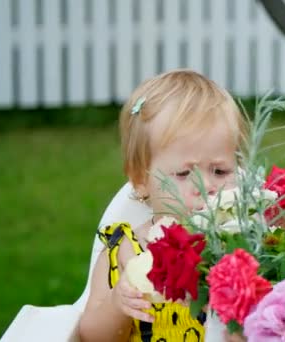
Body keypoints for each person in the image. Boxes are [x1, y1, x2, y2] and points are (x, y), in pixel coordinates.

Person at [78, 69, 246, 342]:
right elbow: (90, 335)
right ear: (141, 179)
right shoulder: (127, 249)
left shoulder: (245, 246)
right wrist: (117, 304)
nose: (206, 188)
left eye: (220, 171)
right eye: (183, 174)